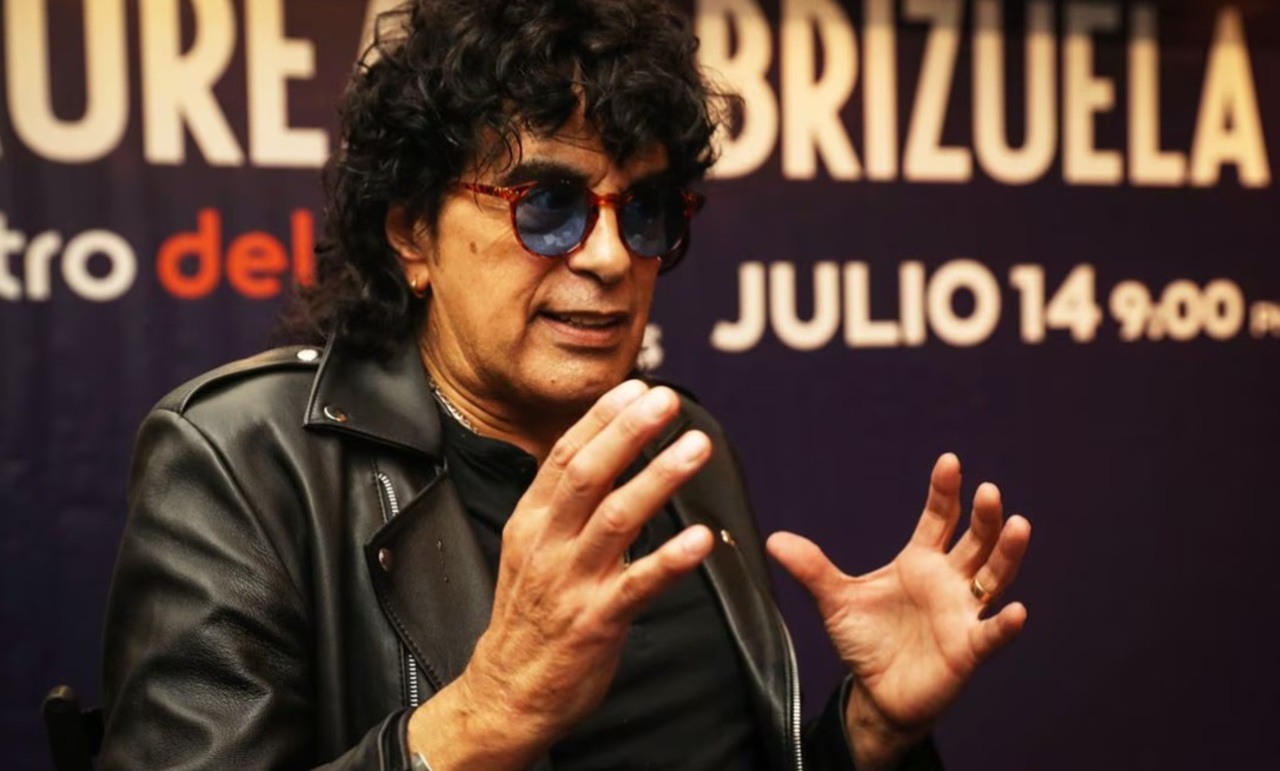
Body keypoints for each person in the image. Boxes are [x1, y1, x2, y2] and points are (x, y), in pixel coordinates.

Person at [101, 1, 1031, 769]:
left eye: (646, 211)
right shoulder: (242, 461)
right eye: (548, 205)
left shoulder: (679, 446)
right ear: (412, 234)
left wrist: (870, 734)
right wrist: (485, 717)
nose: (608, 258)